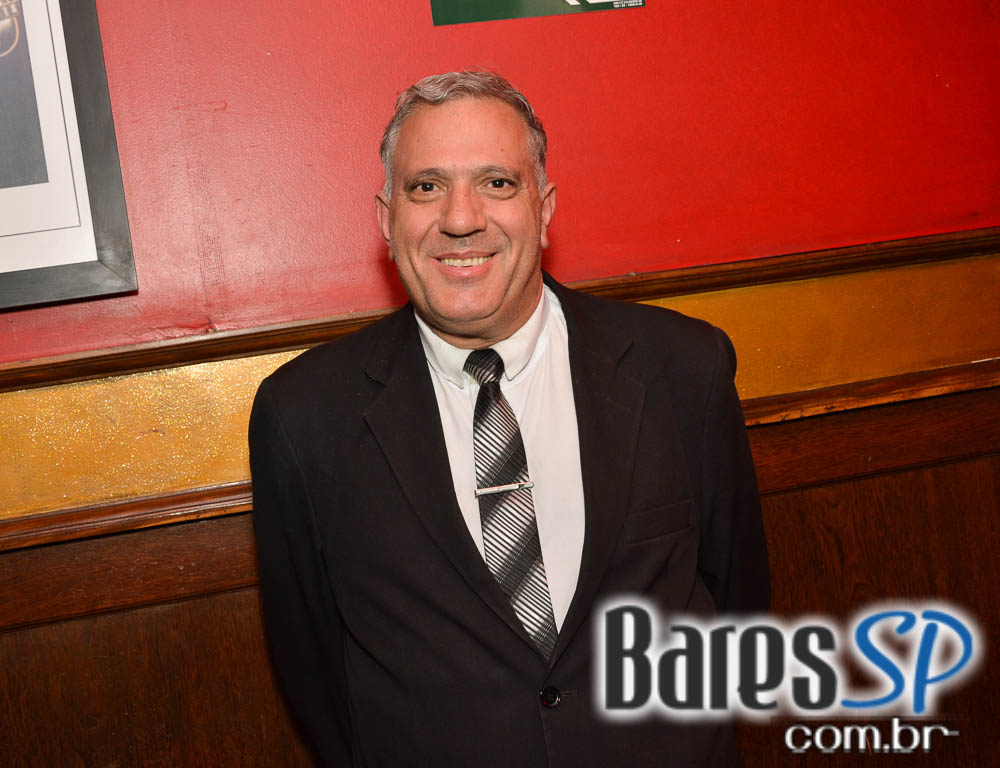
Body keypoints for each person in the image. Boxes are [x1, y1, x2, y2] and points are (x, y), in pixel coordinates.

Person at [249, 70, 769, 767]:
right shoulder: (304, 416)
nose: (461, 218)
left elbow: (736, 600)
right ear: (386, 219)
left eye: (497, 182)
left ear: (544, 209)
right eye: (425, 187)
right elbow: (312, 670)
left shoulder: (681, 368)